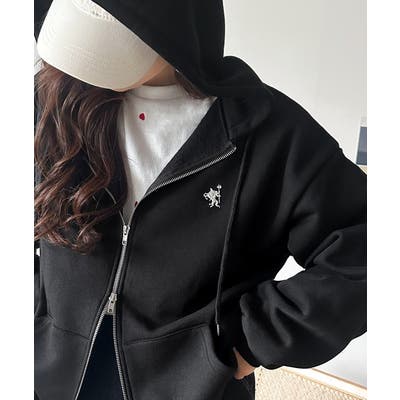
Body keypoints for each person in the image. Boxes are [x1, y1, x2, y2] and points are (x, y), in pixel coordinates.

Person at [33, 1, 367, 400]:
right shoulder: (51, 101)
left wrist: (248, 341)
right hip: (47, 375)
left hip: (194, 384)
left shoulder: (269, 132)